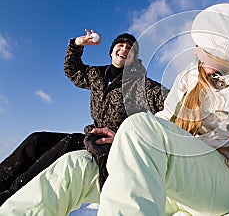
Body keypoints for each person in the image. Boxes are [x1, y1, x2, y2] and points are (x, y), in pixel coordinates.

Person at [0, 3, 229, 216]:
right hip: (173, 180)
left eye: (201, 46)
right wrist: (119, 139)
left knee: (137, 128)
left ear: (224, 51)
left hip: (223, 184)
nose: (194, 51)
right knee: (76, 164)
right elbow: (164, 123)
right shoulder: (190, 77)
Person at [0, 30, 167, 205]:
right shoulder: (97, 75)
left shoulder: (140, 84)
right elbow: (72, 70)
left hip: (115, 142)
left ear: (135, 58)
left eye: (130, 48)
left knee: (70, 142)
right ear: (112, 52)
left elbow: (167, 100)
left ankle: (13, 193)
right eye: (120, 45)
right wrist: (77, 44)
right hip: (92, 135)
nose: (124, 49)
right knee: (36, 140)